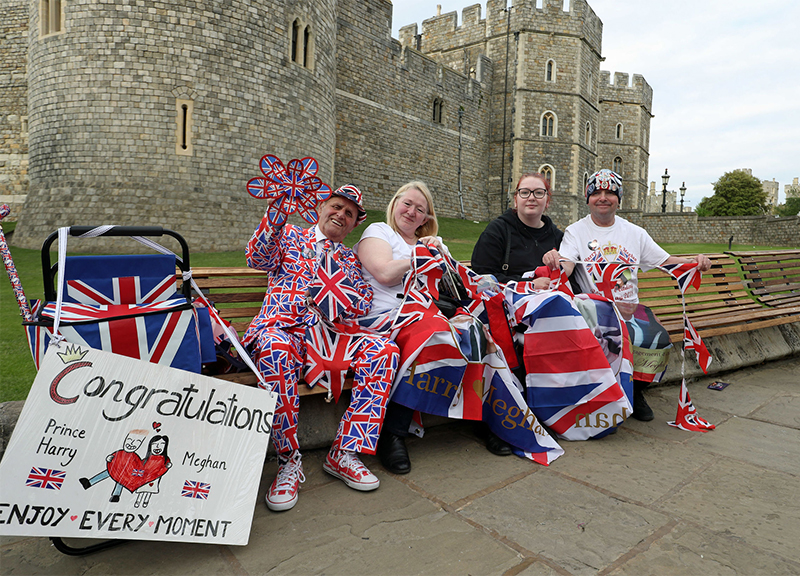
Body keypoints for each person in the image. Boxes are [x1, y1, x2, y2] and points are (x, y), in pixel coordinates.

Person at [243, 184, 400, 512]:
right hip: (285, 330)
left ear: (355, 223)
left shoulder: (349, 258)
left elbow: (361, 302)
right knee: (274, 349)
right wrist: (277, 209)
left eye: (349, 213)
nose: (340, 215)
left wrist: (335, 299)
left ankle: (344, 452)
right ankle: (288, 462)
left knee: (384, 351)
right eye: (336, 206)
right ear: (320, 207)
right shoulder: (288, 236)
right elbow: (257, 257)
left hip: (330, 338)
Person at [356, 181, 513, 475]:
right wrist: (421, 256)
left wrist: (440, 254)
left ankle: (483, 419)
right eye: (407, 204)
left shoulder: (429, 245)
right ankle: (393, 433)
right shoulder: (379, 231)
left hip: (425, 316)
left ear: (426, 219)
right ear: (394, 203)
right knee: (435, 334)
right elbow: (384, 273)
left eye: (421, 210)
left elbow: (452, 291)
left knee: (478, 335)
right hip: (383, 319)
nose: (412, 212)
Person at [551, 169, 711, 421]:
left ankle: (635, 390)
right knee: (612, 338)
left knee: (657, 338)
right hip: (594, 312)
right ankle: (600, 394)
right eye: (597, 192)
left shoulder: (634, 233)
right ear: (588, 198)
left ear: (619, 198)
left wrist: (695, 261)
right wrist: (555, 263)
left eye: (610, 193)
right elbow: (567, 265)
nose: (603, 198)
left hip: (629, 310)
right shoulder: (575, 231)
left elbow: (666, 261)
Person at [471, 173, 564, 290]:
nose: (531, 198)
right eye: (524, 192)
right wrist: (529, 284)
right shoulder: (497, 231)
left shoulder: (558, 238)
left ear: (547, 201)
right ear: (516, 200)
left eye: (539, 193)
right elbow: (482, 277)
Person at [134, 435, 171, 509]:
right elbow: (139, 468)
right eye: (154, 444)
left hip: (155, 479)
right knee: (142, 490)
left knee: (149, 491)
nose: (158, 447)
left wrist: (166, 467)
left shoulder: (164, 459)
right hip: (145, 478)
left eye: (162, 444)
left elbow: (163, 469)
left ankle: (146, 501)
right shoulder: (146, 459)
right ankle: (138, 501)